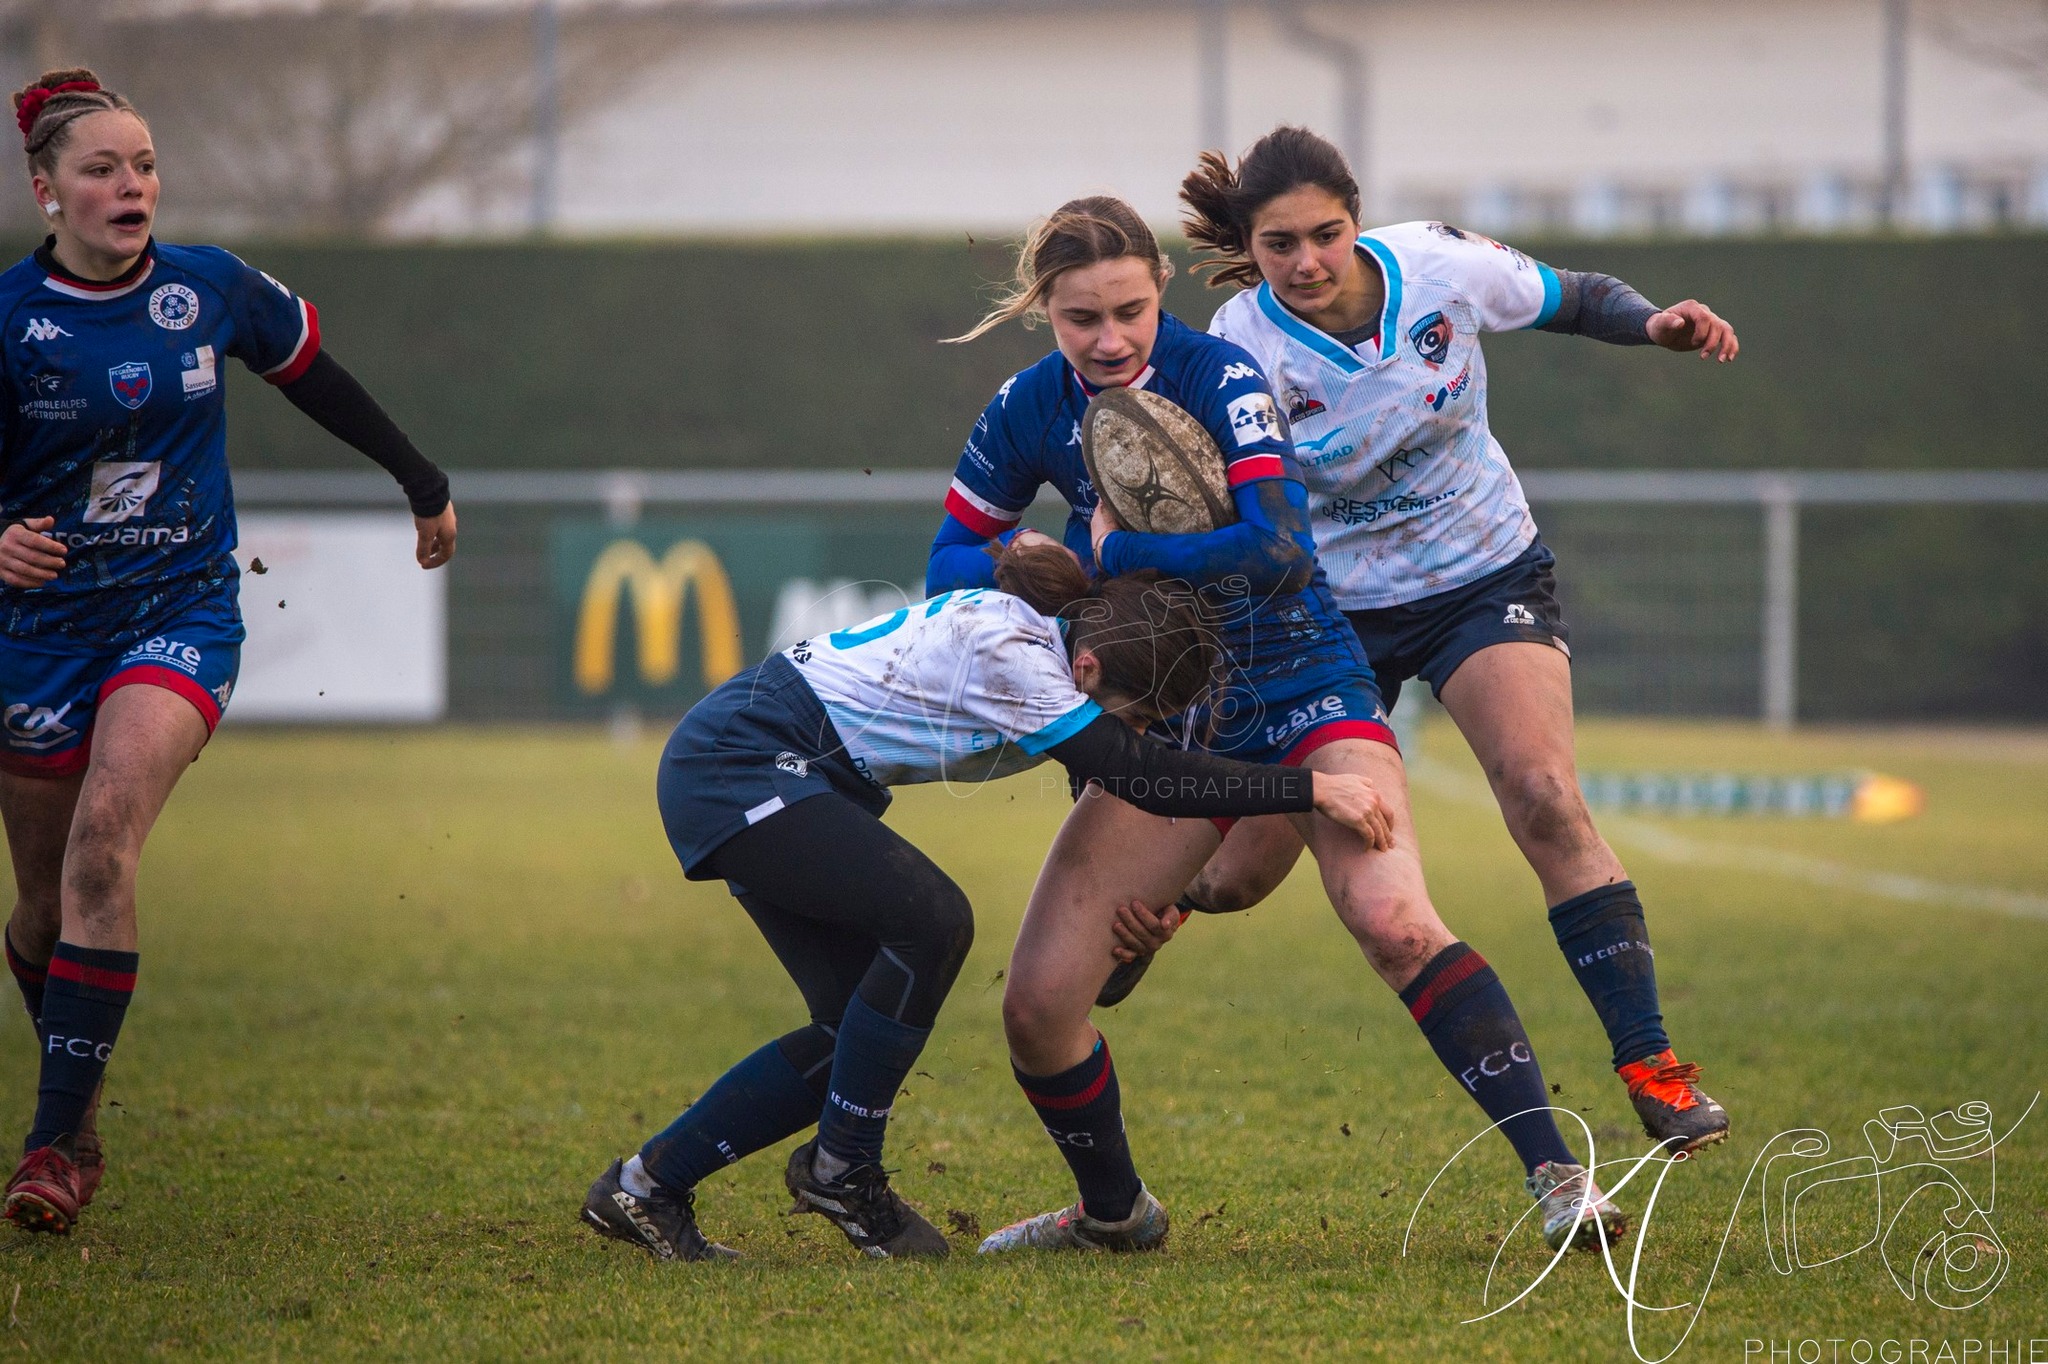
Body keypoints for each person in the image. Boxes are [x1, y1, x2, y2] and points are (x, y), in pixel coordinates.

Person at [929, 198, 1627, 1256]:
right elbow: (946, 560)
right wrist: (1032, 571)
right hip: (1172, 712)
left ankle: (1557, 1177)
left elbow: (1275, 554)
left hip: (1300, 673)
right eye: (1081, 320)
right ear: (1047, 313)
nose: (1109, 338)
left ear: (1159, 289)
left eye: (1126, 309)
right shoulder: (1025, 407)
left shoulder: (1221, 377)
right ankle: (1114, 1213)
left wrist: (1113, 561)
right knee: (1036, 1006)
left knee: (1392, 920)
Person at [1114, 125, 1739, 1155]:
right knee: (1237, 876)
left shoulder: (1439, 267)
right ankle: (1174, 904)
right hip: (1325, 612)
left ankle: (1653, 1067)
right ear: (1249, 245)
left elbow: (1575, 295)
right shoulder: (1236, 347)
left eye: (1325, 234)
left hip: (1480, 572)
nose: (1305, 261)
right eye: (1278, 245)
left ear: (1357, 220)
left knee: (1541, 794)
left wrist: (1653, 324)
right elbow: (1194, 490)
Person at [579, 541, 1394, 1262]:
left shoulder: (1046, 644)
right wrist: (1309, 789)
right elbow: (1145, 776)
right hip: (742, 763)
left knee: (852, 1028)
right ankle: (844, 1168)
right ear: (1088, 671)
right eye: (1140, 713)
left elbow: (1127, 785)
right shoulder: (1017, 656)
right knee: (933, 921)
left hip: (774, 770)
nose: (1136, 729)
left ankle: (647, 1186)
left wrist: (1145, 926)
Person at [0, 70, 457, 1234]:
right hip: (41, 639)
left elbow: (319, 380)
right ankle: (80, 1108)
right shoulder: (10, 320)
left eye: (145, 163)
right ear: (45, 189)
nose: (132, 184)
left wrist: (421, 480)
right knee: (44, 911)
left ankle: (49, 1148)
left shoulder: (209, 288)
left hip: (180, 612)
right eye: (103, 168)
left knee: (107, 840)